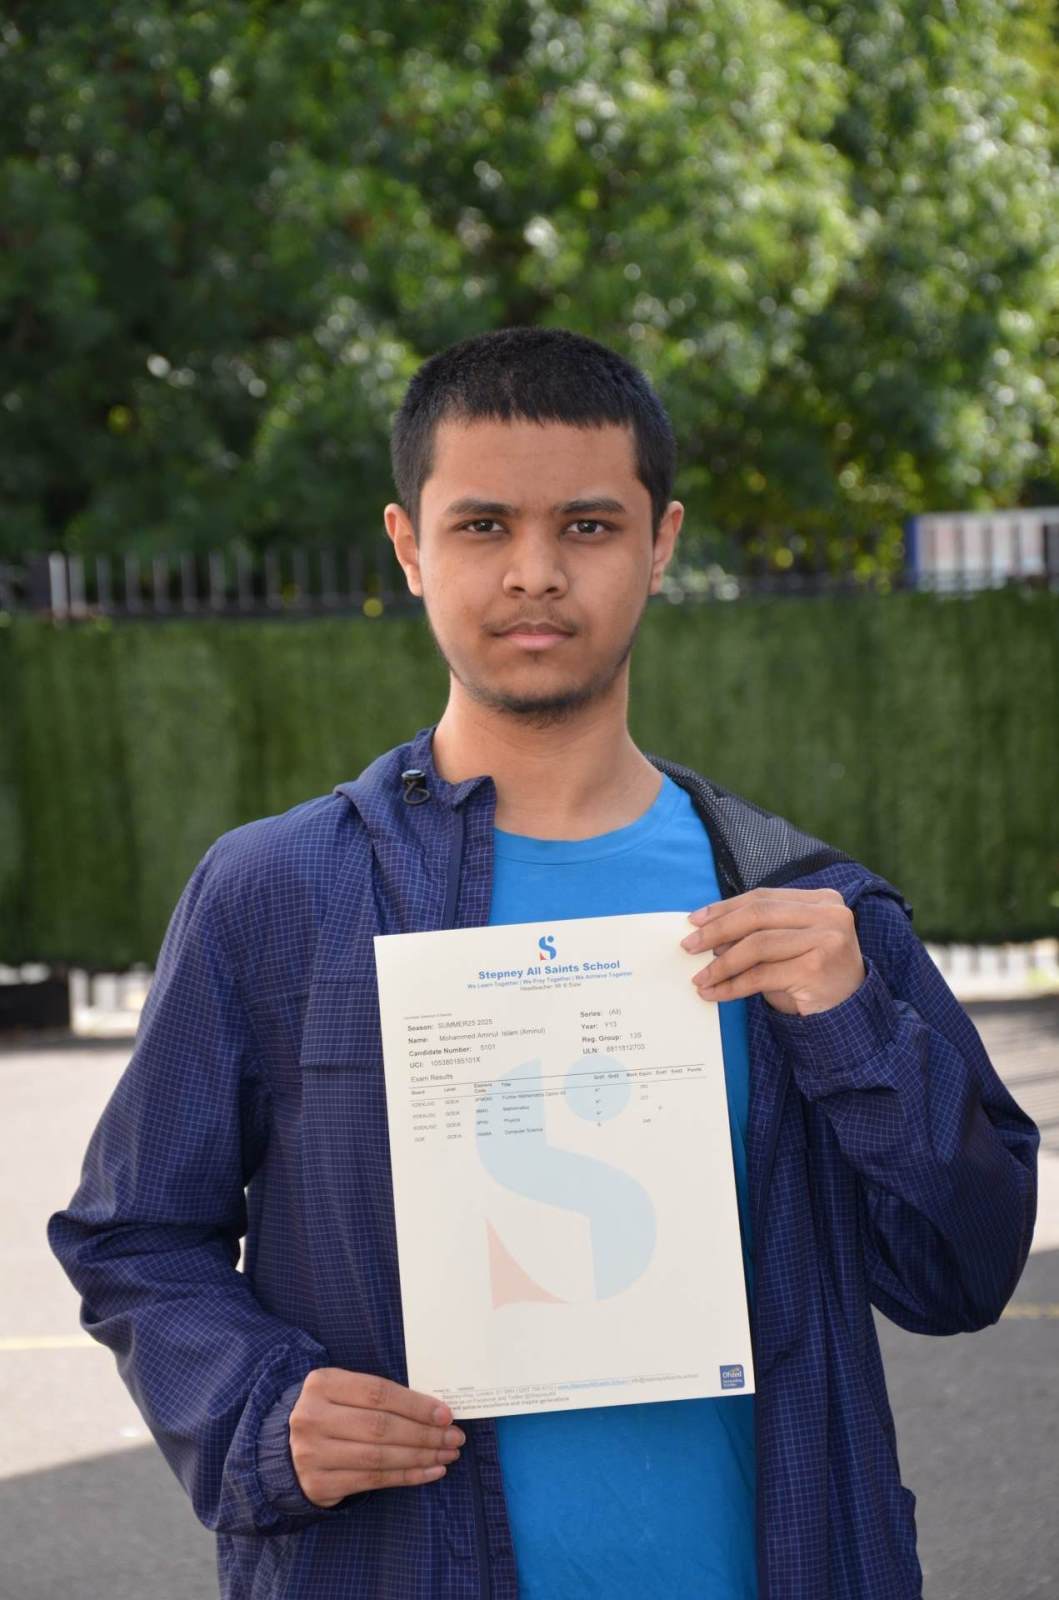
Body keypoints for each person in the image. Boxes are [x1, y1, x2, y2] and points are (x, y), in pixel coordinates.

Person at [49, 326, 1038, 1600]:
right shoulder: (275, 896)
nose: (534, 571)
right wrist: (257, 1405)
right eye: (481, 526)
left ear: (660, 543)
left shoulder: (810, 910)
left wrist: (854, 1025)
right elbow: (135, 1232)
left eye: (586, 525)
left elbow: (965, 1270)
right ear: (408, 547)